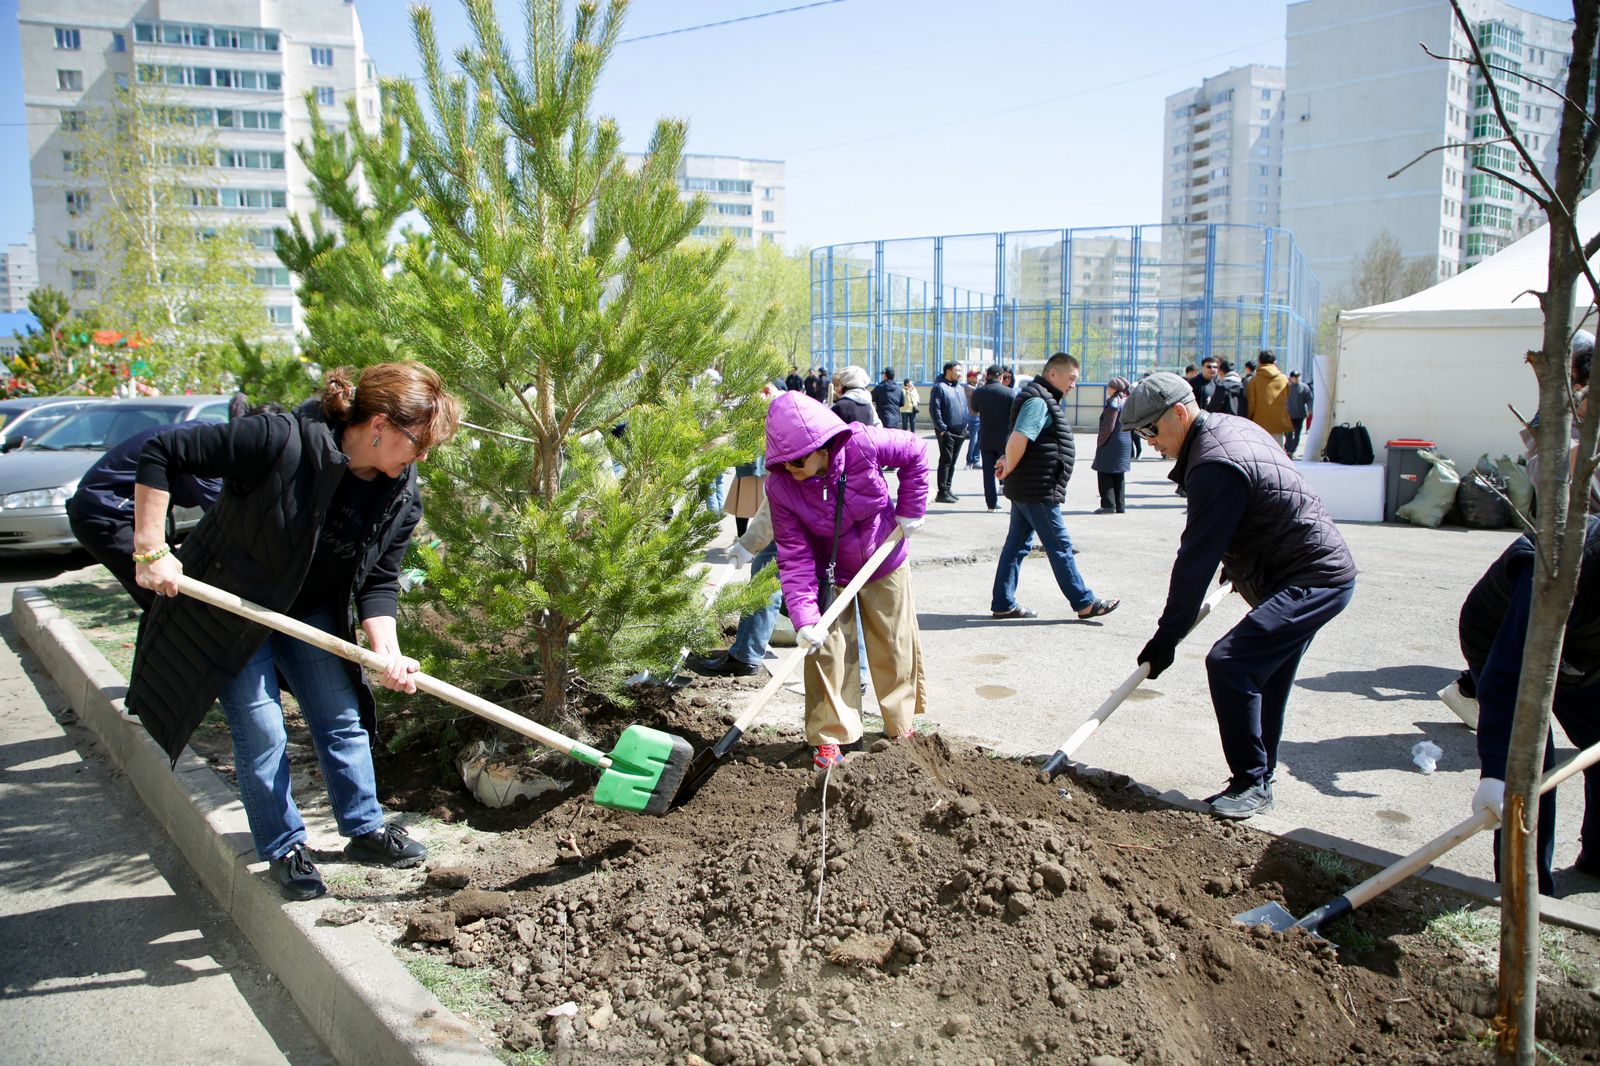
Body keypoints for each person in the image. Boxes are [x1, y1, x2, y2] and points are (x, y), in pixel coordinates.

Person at [125, 362, 462, 900]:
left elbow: (378, 579)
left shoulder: (400, 490)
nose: (421, 457)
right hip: (233, 607)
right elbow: (163, 452)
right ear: (379, 425)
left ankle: (365, 828)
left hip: (309, 611)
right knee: (263, 731)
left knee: (342, 718)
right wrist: (151, 549)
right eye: (417, 442)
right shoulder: (280, 440)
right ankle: (285, 847)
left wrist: (389, 653)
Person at [1124, 372, 1355, 819]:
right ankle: (1259, 778)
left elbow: (1195, 560)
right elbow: (1260, 504)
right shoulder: (1232, 429)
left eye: (1150, 430)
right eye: (1139, 434)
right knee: (1265, 675)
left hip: (1311, 577)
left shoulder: (1213, 463)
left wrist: (1166, 637)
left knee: (1230, 663)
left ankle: (1251, 780)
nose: (1149, 441)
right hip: (1299, 570)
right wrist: (1239, 563)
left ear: (1179, 412)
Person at [763, 392, 931, 767]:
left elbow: (916, 451)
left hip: (883, 557)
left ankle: (900, 726)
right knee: (826, 652)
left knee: (894, 642)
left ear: (821, 446)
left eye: (797, 460)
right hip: (830, 572)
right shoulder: (780, 486)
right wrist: (804, 618)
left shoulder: (862, 443)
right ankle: (830, 737)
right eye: (783, 461)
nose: (790, 468)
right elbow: (794, 554)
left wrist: (911, 510)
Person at [1465, 515, 1600, 895]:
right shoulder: (1559, 565)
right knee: (1531, 770)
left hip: (1585, 650)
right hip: (1501, 635)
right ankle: (1523, 893)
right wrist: (1497, 771)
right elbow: (1508, 674)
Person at [990, 352, 1120, 621]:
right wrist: (1009, 469)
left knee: (1016, 546)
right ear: (1052, 374)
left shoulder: (1042, 398)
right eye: (1071, 378)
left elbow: (1022, 441)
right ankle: (1084, 602)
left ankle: (1003, 602)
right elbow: (1019, 439)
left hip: (1031, 485)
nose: (1074, 384)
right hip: (1037, 488)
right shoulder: (1039, 401)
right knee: (1059, 545)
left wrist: (1008, 465)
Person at [68, 418, 227, 611]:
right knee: (170, 595)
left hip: (129, 515)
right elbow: (223, 513)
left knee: (166, 596)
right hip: (107, 515)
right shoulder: (203, 446)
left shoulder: (210, 432)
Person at [689, 497, 780, 678]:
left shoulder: (791, 472)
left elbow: (778, 501)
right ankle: (746, 652)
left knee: (767, 570)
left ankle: (746, 655)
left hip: (794, 517)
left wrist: (748, 545)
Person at [970, 364, 1016, 511]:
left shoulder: (979, 392)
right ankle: (1015, 504)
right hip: (1005, 439)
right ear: (1001, 376)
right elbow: (1015, 414)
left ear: (987, 375)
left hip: (986, 439)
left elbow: (974, 409)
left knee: (988, 473)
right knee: (1008, 471)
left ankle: (991, 504)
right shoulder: (1009, 392)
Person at [929, 361, 970, 504]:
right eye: (957, 370)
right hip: (947, 432)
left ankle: (948, 488)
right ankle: (942, 491)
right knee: (946, 460)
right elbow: (935, 410)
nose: (960, 373)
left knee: (953, 462)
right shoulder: (940, 387)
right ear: (948, 371)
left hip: (960, 431)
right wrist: (942, 428)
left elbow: (964, 408)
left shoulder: (959, 387)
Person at [1091, 377, 1133, 514]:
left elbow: (1108, 426)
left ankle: (1108, 505)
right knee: (1118, 474)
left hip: (1112, 441)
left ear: (1114, 388)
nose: (1107, 389)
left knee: (1104, 472)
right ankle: (1120, 505)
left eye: (1109, 387)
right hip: (1125, 441)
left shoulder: (1114, 402)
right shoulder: (1127, 401)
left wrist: (1100, 442)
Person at [1245, 350, 1293, 450]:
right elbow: (1287, 399)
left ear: (1259, 362)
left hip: (1259, 424)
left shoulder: (1254, 380)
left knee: (1261, 453)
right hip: (1279, 423)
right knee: (1277, 453)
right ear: (1274, 362)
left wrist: (1249, 420)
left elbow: (1251, 404)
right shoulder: (1283, 378)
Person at [1285, 371, 1313, 458]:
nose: (1297, 379)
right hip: (1288, 415)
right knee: (1288, 434)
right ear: (1291, 378)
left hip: (1300, 415)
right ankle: (1288, 449)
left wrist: (1309, 409)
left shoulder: (1304, 387)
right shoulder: (1286, 387)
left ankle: (1292, 450)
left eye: (1298, 377)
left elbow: (1309, 399)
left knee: (1297, 434)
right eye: (1295, 377)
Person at [963, 368, 983, 469]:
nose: (977, 378)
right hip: (973, 417)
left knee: (979, 440)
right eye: (975, 376)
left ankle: (976, 460)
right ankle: (969, 461)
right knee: (973, 440)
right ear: (969, 377)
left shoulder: (975, 385)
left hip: (981, 416)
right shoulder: (967, 387)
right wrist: (982, 381)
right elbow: (978, 392)